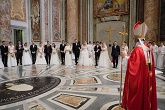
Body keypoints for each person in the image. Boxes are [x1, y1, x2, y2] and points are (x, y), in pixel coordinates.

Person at [121, 22, 157, 110]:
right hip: (147, 77)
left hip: (140, 79)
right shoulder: (148, 48)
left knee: (137, 92)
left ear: (136, 38)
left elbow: (133, 66)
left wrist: (125, 56)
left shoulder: (138, 49)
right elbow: (143, 62)